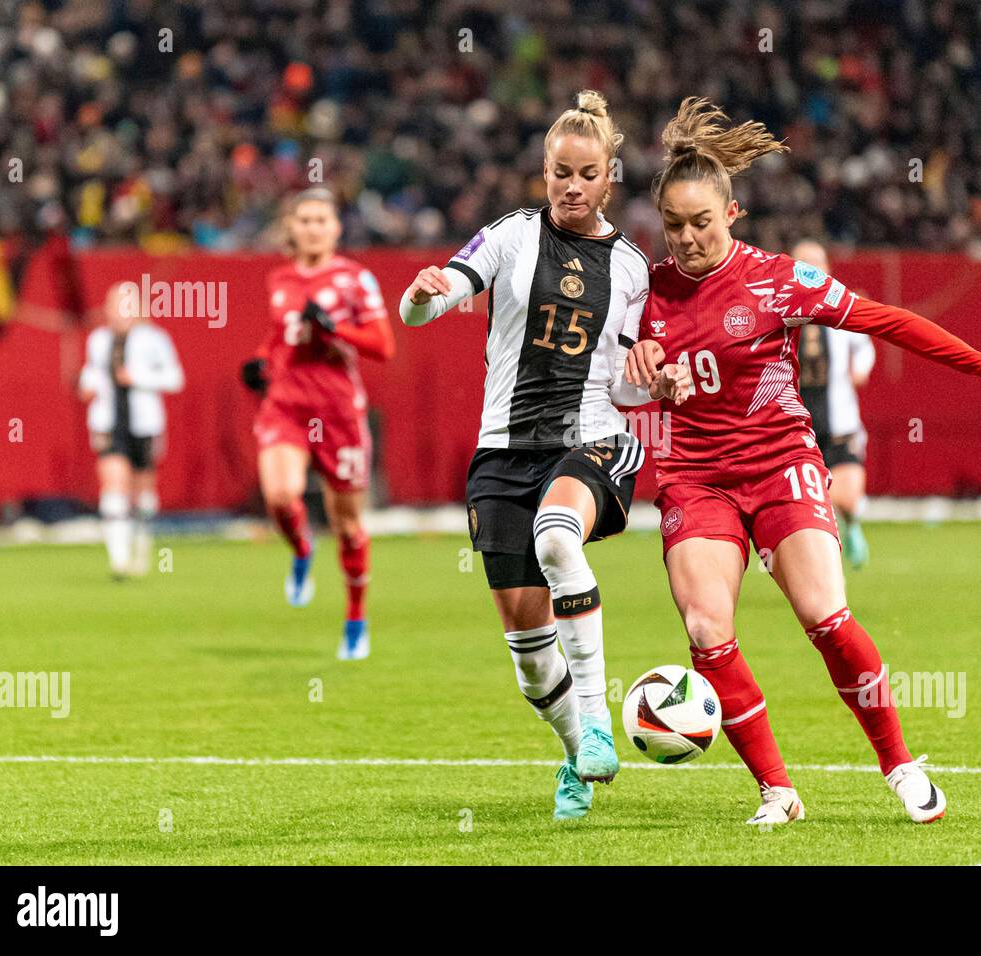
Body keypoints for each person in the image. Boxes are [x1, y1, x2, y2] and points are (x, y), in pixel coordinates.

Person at [625, 97, 981, 825]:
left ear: (733, 213)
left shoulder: (779, 279)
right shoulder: (645, 293)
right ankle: (777, 791)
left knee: (824, 615)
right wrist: (646, 373)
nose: (687, 239)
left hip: (780, 460)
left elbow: (887, 319)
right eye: (674, 226)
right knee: (704, 628)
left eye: (701, 223)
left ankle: (901, 765)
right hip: (695, 476)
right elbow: (619, 370)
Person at [398, 91, 689, 820]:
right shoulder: (510, 236)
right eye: (559, 171)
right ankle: (573, 755)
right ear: (544, 170)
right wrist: (418, 296)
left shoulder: (630, 267)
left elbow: (623, 388)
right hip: (501, 454)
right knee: (530, 661)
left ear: (609, 176)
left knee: (558, 538)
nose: (570, 186)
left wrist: (655, 379)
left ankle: (596, 721)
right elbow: (434, 302)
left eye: (586, 174)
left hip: (590, 440)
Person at [241, 188, 395, 659]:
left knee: (348, 526)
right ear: (291, 228)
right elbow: (281, 334)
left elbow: (383, 346)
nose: (311, 227)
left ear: (336, 227)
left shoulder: (354, 279)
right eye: (303, 219)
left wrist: (335, 328)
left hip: (338, 413)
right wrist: (261, 359)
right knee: (280, 496)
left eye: (320, 219)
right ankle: (302, 548)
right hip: (286, 405)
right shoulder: (280, 279)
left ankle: (355, 617)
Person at [79, 283, 184, 579]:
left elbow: (175, 378)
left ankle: (141, 546)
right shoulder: (99, 339)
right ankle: (118, 557)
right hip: (108, 423)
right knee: (113, 484)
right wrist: (88, 385)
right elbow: (94, 371)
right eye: (114, 304)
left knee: (143, 491)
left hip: (144, 424)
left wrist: (137, 378)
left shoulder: (154, 339)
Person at [793, 239, 875, 567]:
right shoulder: (779, 311)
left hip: (840, 420)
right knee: (806, 501)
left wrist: (862, 368)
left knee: (848, 496)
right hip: (798, 424)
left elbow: (865, 344)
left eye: (817, 263)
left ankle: (851, 524)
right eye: (804, 264)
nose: (812, 269)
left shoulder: (843, 304)